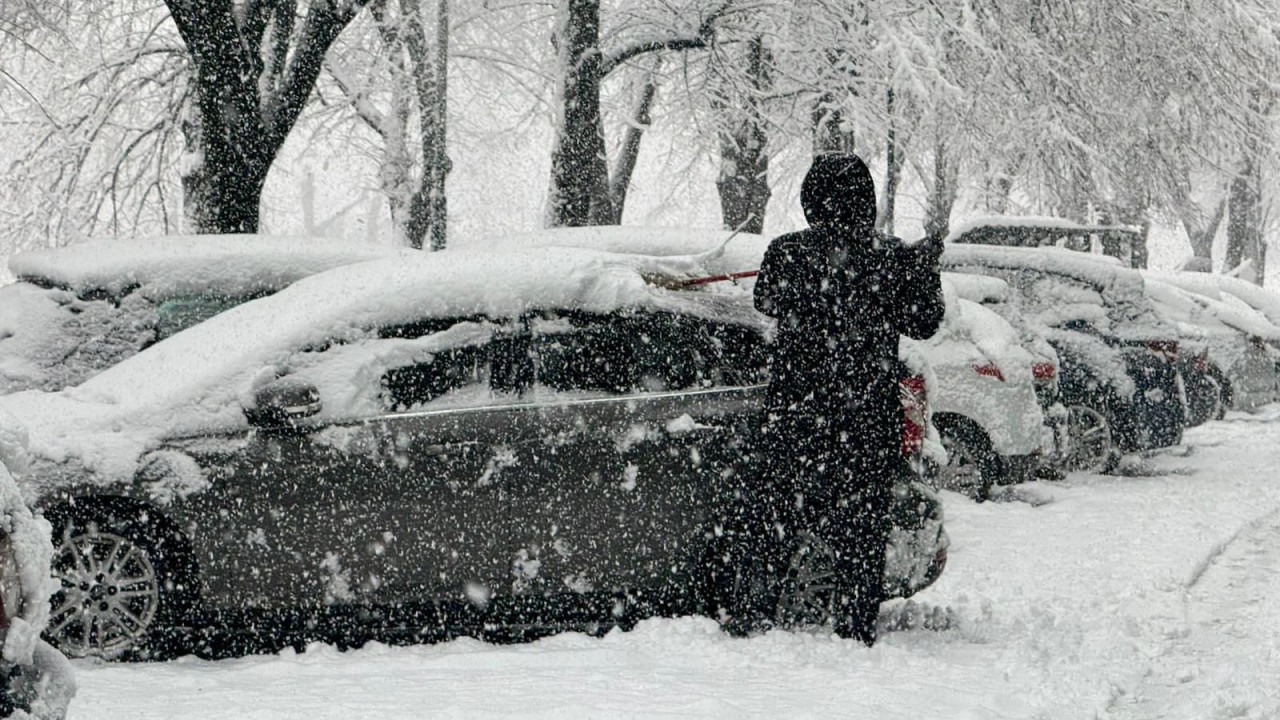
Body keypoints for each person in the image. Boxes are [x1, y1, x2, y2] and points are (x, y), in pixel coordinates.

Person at [750, 153, 944, 645]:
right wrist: (923, 269)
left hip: (795, 415)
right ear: (868, 201)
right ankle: (854, 629)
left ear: (809, 200)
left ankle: (760, 619)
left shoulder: (786, 252)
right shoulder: (893, 258)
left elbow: (766, 301)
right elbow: (923, 322)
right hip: (865, 419)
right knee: (860, 533)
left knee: (779, 524)